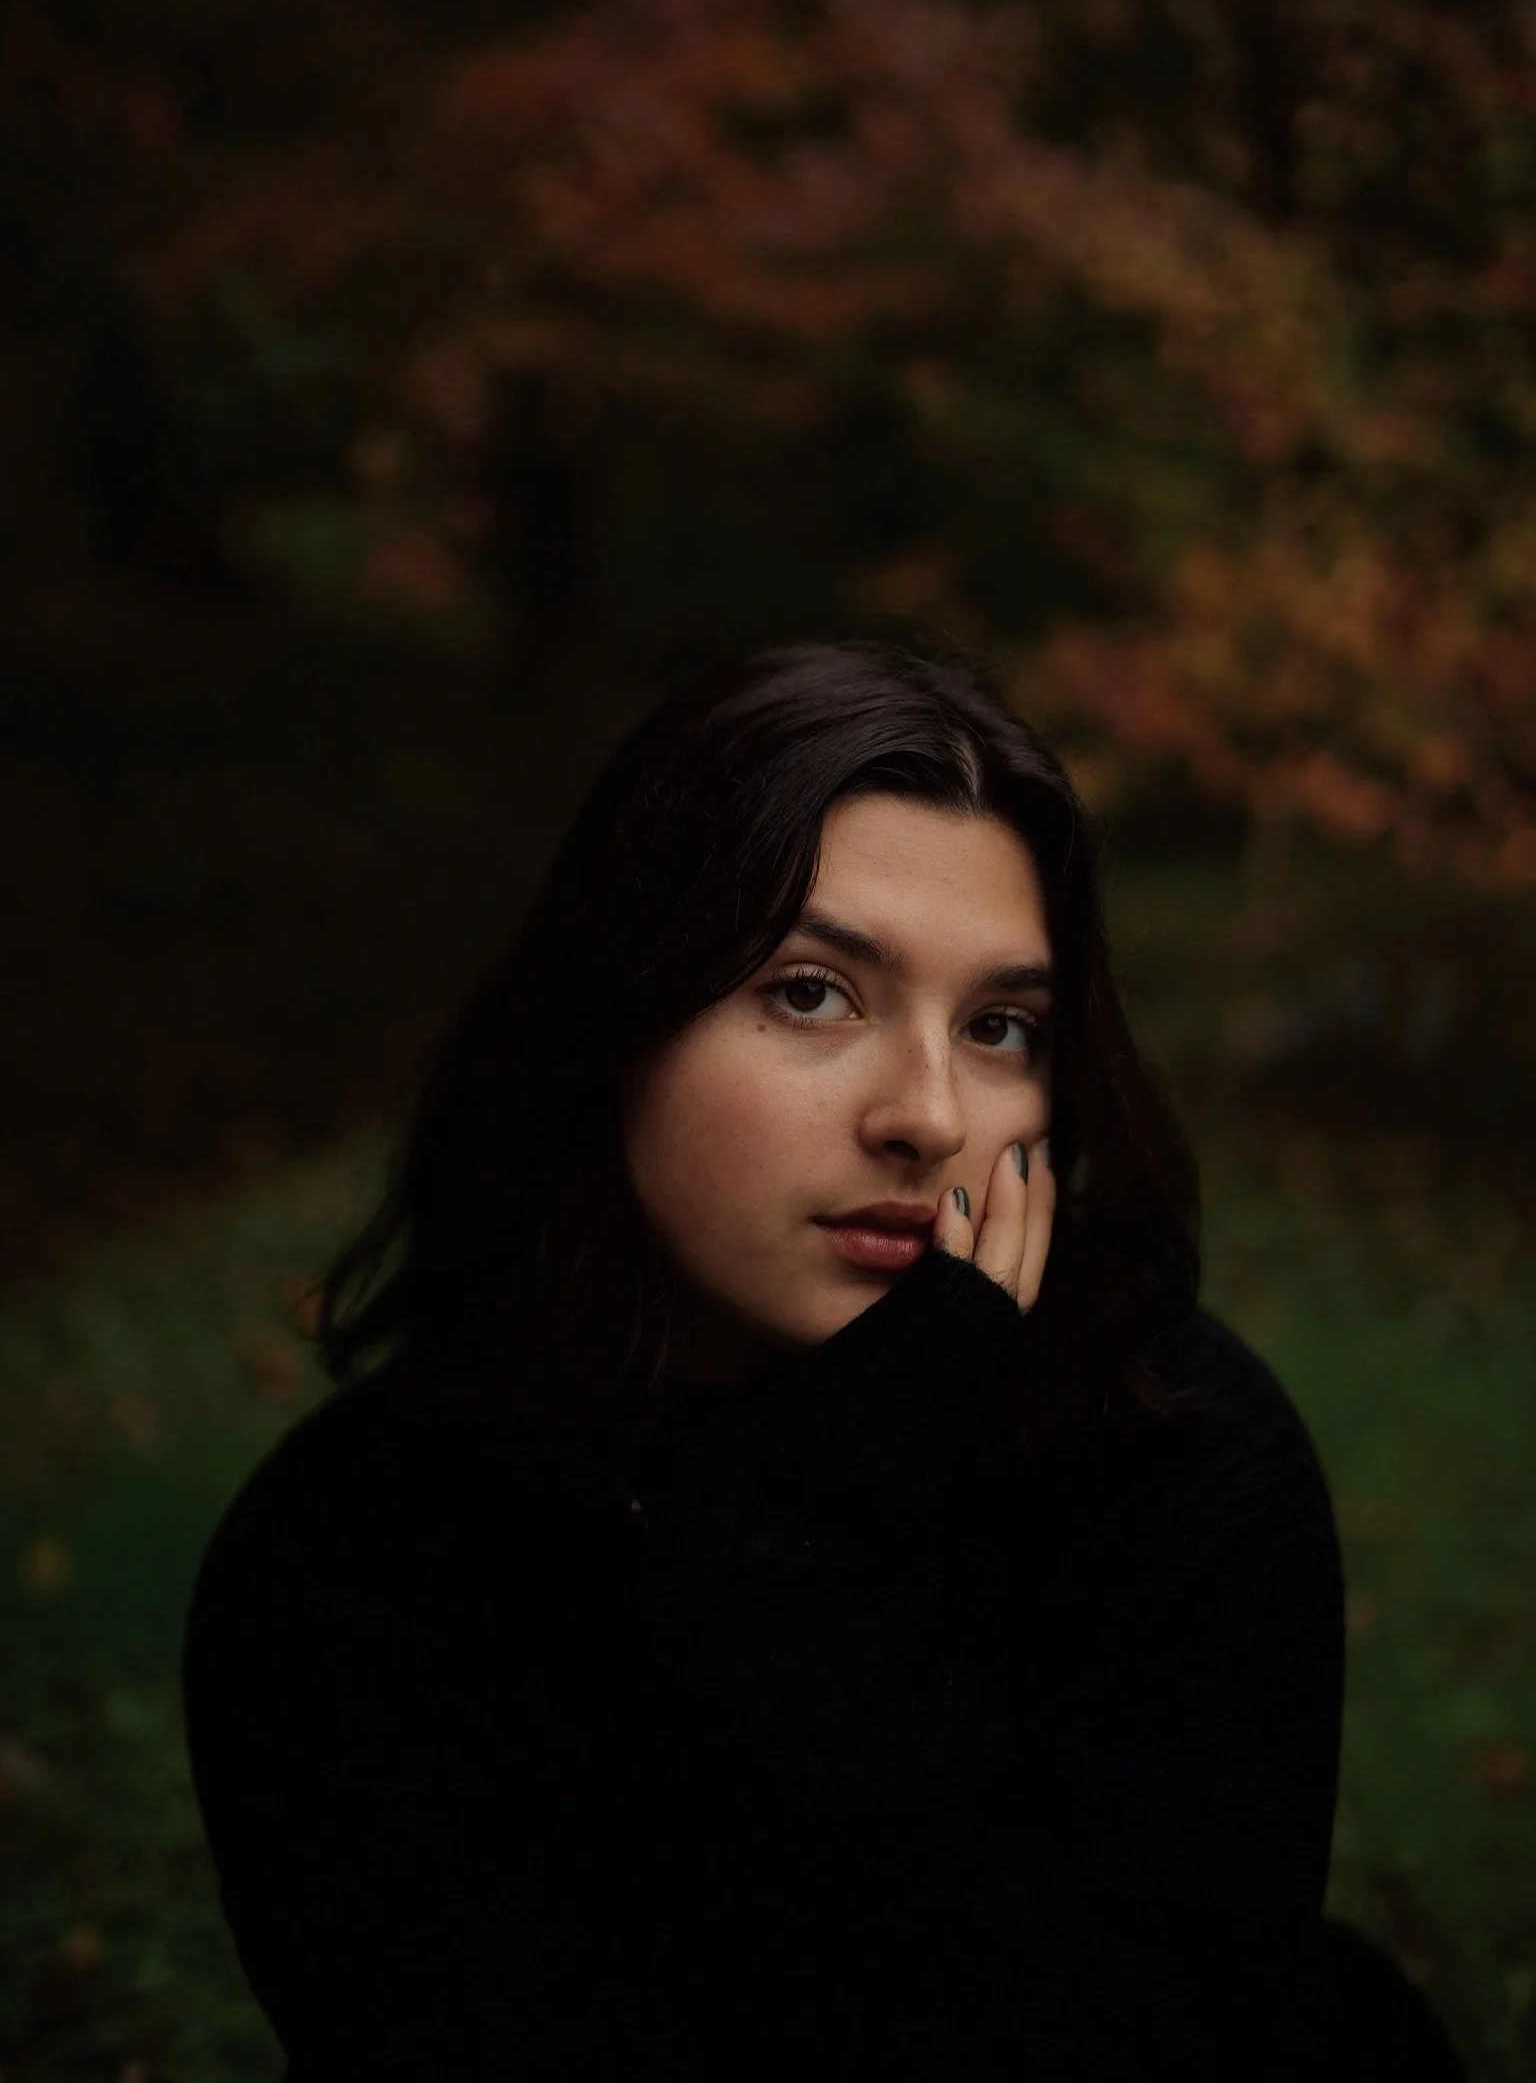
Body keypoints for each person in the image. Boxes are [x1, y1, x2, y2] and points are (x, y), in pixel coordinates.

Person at [181, 640, 1467, 2082]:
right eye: (812, 992)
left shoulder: (1185, 1469)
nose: (926, 1115)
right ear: (617, 1020)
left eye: (1000, 1027)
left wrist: (811, 1535)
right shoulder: (355, 1555)